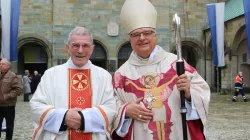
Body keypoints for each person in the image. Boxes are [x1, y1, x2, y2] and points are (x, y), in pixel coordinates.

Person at [111, 0, 210, 140]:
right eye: (136, 34)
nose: (142, 38)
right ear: (130, 39)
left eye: (147, 33)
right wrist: (125, 111)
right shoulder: (121, 75)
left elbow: (202, 93)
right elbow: (110, 105)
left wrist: (189, 93)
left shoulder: (177, 64)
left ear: (154, 35)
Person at [29, 26, 116, 140]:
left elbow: (111, 108)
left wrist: (84, 119)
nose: (80, 50)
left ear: (92, 49)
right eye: (75, 45)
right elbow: (36, 106)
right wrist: (64, 117)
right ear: (68, 48)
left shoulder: (104, 76)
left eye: (85, 46)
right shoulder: (51, 74)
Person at [0, 58, 22, 140]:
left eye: (3, 64)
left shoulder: (13, 76)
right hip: (0, 105)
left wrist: (6, 96)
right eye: (0, 64)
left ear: (8, 66)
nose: (0, 65)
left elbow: (18, 90)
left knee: (9, 126)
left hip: (9, 105)